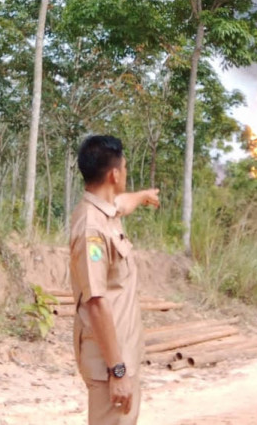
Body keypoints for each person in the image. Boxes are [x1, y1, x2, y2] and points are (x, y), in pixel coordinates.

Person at [69, 134, 160, 425]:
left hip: (121, 355)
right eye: (125, 168)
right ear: (114, 174)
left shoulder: (104, 211)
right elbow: (96, 302)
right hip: (111, 362)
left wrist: (143, 195)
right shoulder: (91, 228)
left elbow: (122, 202)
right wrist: (117, 371)